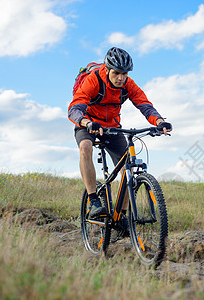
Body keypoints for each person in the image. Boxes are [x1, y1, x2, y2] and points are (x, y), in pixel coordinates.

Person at [68, 47, 172, 222]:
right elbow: (74, 109)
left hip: (112, 127)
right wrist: (87, 123)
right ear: (107, 69)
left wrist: (159, 122)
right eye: (116, 73)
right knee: (85, 147)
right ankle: (93, 200)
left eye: (124, 73)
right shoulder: (93, 81)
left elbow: (144, 105)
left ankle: (121, 216)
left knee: (127, 170)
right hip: (89, 123)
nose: (121, 78)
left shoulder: (127, 84)